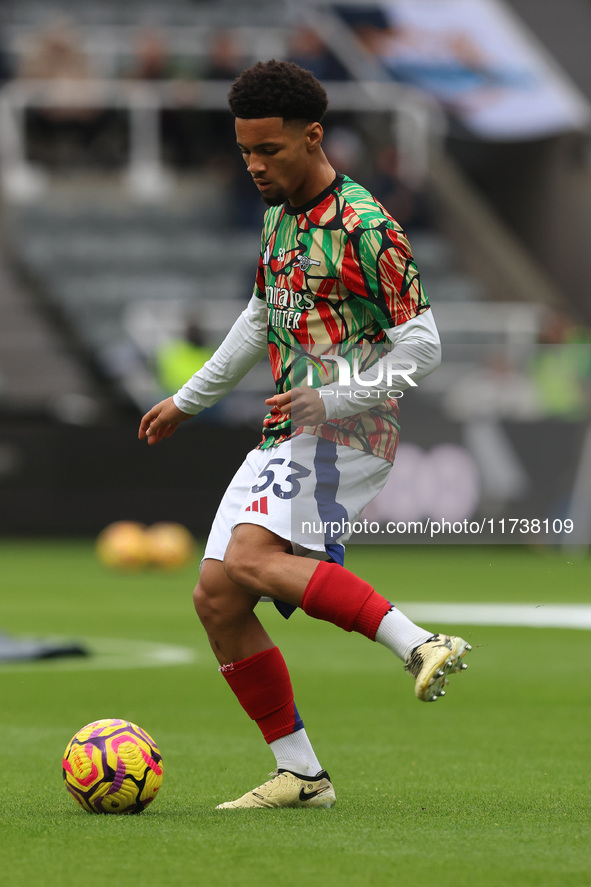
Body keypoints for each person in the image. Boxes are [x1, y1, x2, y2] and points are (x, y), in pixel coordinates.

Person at [138, 60, 471, 810]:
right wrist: (188, 399)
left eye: (269, 150)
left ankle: (418, 642)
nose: (254, 165)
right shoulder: (277, 211)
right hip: (291, 428)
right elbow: (261, 315)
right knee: (216, 598)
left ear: (312, 135)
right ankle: (302, 774)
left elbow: (422, 347)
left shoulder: (367, 228)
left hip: (349, 428)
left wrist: (336, 396)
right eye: (245, 151)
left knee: (251, 557)